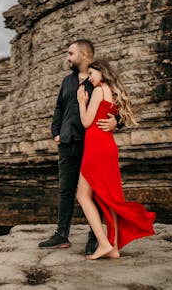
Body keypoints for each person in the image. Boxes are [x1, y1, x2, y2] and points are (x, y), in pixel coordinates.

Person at [39, 40, 117, 254]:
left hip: (91, 145)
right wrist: (55, 132)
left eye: (70, 53)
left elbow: (118, 107)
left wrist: (116, 122)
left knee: (94, 192)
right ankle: (61, 234)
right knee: (65, 190)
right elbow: (59, 108)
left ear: (84, 54)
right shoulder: (67, 81)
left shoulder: (100, 81)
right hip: (66, 143)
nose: (68, 57)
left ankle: (95, 238)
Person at [76, 59, 156, 260]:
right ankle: (113, 248)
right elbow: (117, 118)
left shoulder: (98, 90)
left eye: (92, 73)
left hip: (96, 149)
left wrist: (81, 103)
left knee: (83, 196)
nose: (89, 78)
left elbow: (86, 122)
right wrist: (114, 122)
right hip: (107, 147)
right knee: (110, 198)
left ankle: (103, 243)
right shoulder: (112, 92)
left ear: (102, 73)